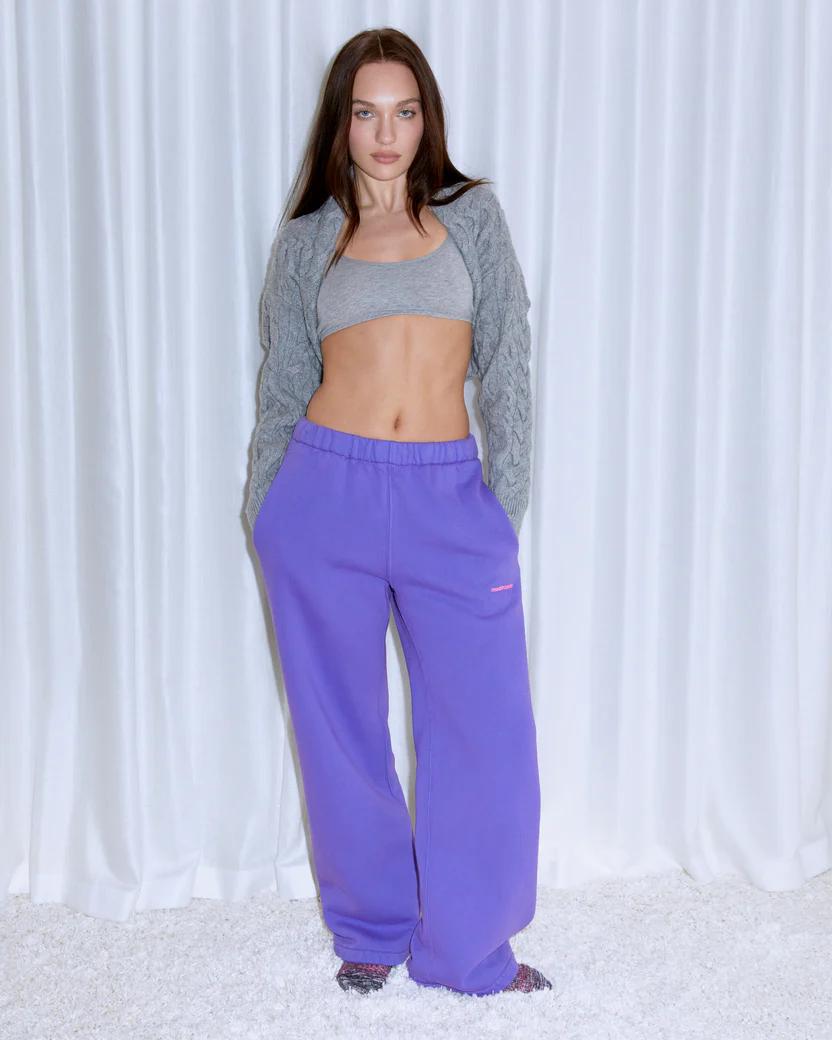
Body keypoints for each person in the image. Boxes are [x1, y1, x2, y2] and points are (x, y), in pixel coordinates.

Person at [246, 27, 551, 998]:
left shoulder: (471, 216)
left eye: (405, 111)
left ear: (428, 120)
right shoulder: (310, 239)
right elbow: (283, 384)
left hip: (447, 501)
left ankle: (469, 949)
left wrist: (501, 508)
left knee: (484, 731)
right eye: (367, 112)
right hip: (321, 497)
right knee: (339, 727)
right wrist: (266, 509)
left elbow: (507, 364)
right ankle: (370, 928)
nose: (387, 133)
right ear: (341, 123)